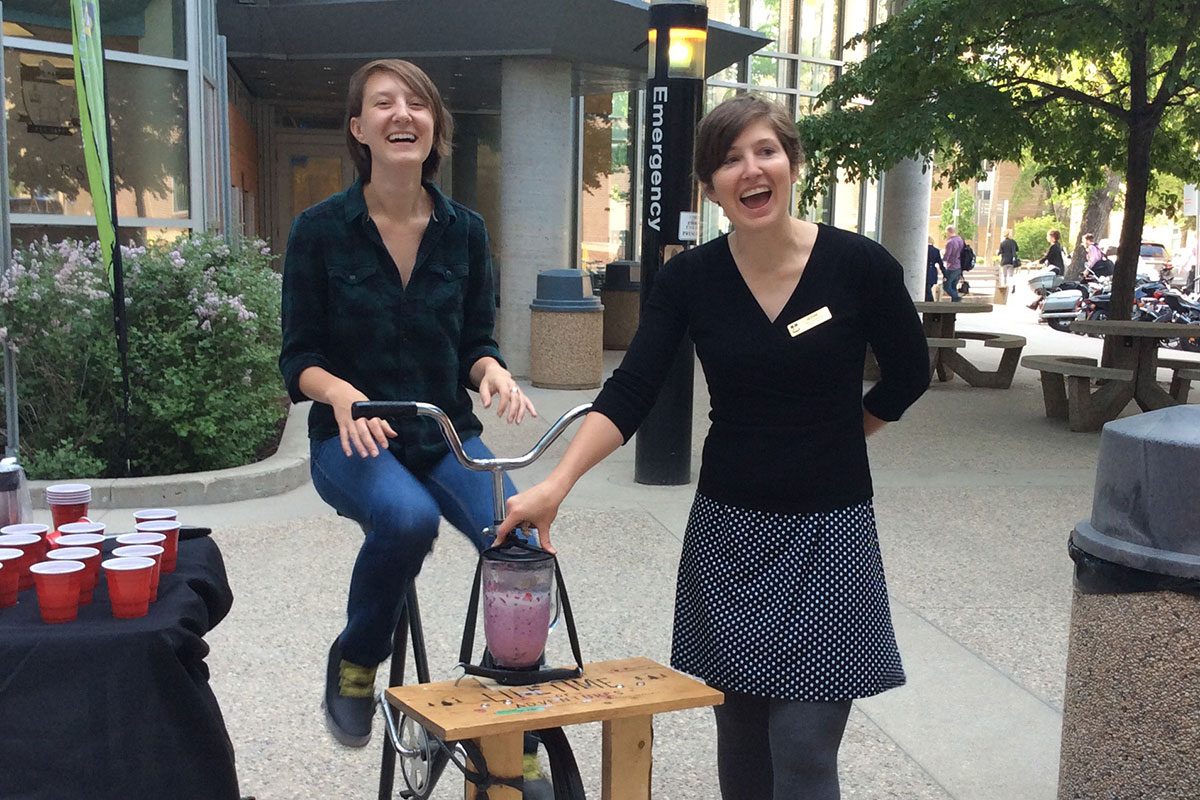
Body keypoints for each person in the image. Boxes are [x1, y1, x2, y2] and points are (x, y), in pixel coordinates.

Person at [495, 94, 930, 800]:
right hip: (729, 533)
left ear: (793, 163)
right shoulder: (690, 279)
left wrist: (849, 433)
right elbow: (631, 391)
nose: (750, 170)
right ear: (710, 186)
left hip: (832, 531)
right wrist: (556, 483)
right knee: (743, 742)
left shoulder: (860, 265)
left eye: (765, 151)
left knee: (804, 745)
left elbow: (911, 372)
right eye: (729, 160)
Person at [278, 59, 540, 753]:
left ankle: (518, 718)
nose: (403, 114)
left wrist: (492, 373)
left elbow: (477, 342)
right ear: (360, 129)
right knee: (404, 517)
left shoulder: (466, 231)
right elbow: (297, 358)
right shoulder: (319, 230)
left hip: (442, 435)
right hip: (351, 442)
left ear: (435, 129)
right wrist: (340, 393)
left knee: (523, 541)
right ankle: (359, 659)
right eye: (384, 103)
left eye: (417, 103)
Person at [942, 225, 964, 302]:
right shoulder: (960, 240)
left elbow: (947, 255)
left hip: (952, 267)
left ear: (948, 232)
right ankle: (954, 303)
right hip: (959, 266)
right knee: (953, 286)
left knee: (946, 286)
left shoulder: (950, 242)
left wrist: (942, 259)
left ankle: (957, 298)